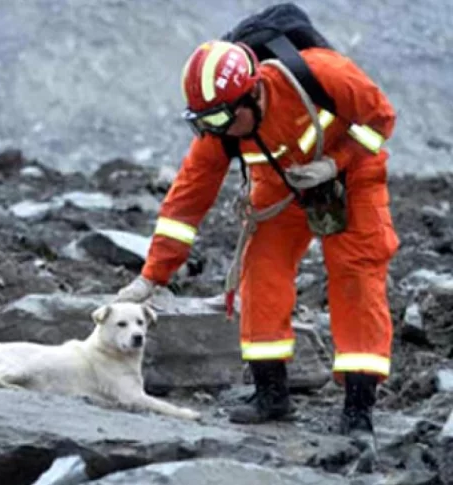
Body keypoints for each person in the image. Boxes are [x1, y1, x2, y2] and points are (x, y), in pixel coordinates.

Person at [114, 39, 398, 439]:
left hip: (353, 180)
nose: (217, 131)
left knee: (356, 276)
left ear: (254, 95)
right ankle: (270, 393)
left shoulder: (323, 75)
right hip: (278, 186)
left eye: (222, 120)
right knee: (261, 273)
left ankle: (358, 408)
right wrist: (152, 276)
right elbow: (185, 202)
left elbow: (380, 119)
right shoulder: (222, 126)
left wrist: (336, 162)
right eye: (208, 123)